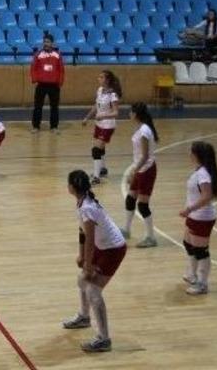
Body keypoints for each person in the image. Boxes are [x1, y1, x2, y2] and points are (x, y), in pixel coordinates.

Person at [61, 170, 127, 353]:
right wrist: (81, 255)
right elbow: (83, 231)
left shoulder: (87, 208)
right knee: (82, 280)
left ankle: (104, 339)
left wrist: (88, 263)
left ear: (72, 187)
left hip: (113, 249)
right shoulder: (83, 202)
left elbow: (90, 238)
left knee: (93, 290)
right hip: (102, 246)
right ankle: (84, 317)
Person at [179, 141, 217, 295]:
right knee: (188, 243)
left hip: (202, 217)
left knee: (200, 251)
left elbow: (207, 196)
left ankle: (202, 284)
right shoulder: (200, 171)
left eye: (191, 151)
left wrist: (189, 209)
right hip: (194, 216)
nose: (189, 154)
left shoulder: (203, 174)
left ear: (197, 154)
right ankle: (192, 273)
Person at [122, 102, 159, 248]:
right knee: (130, 199)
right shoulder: (142, 128)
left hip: (146, 170)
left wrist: (133, 171)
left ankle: (151, 237)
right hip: (141, 169)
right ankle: (126, 230)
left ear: (135, 114)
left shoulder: (144, 131)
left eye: (130, 112)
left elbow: (144, 156)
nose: (129, 114)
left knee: (143, 205)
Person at [81, 70, 121, 185]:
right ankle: (102, 169)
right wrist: (87, 117)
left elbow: (116, 113)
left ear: (107, 80)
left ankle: (96, 177)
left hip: (108, 125)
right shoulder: (100, 90)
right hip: (99, 124)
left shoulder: (112, 94)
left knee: (96, 150)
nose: (99, 79)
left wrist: (103, 115)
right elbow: (96, 106)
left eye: (101, 77)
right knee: (101, 148)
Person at [30, 34, 64, 134]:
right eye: (44, 42)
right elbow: (33, 68)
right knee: (37, 106)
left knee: (54, 107)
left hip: (54, 86)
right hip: (41, 85)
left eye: (48, 42)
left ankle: (54, 127)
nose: (46, 44)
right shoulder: (38, 54)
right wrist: (35, 79)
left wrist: (60, 82)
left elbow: (61, 69)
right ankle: (36, 126)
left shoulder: (57, 55)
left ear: (52, 43)